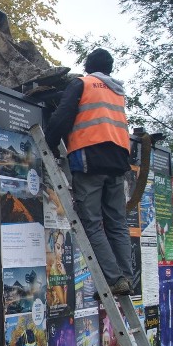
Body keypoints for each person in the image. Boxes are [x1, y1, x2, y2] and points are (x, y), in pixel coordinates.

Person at [45, 48, 133, 297]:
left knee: (91, 223)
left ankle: (114, 279)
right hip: (117, 163)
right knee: (117, 223)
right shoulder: (117, 92)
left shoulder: (82, 84)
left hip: (90, 160)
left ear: (87, 65)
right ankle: (125, 277)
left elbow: (63, 116)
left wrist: (50, 143)